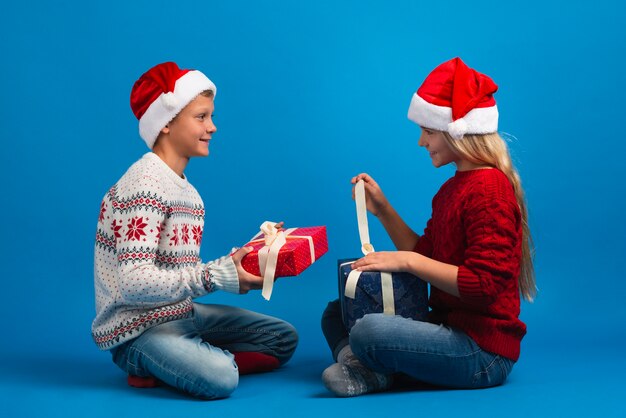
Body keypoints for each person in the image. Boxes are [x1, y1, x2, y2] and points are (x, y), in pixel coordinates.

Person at [321, 57, 536, 397]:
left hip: (481, 352)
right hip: (447, 325)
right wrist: (382, 210)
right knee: (339, 310)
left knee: (367, 331)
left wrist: (406, 263)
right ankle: (367, 368)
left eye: (428, 131)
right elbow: (426, 254)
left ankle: (369, 366)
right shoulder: (452, 189)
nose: (421, 142)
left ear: (459, 133)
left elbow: (482, 285)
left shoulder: (491, 190)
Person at [92, 61, 298, 399]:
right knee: (221, 379)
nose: (213, 127)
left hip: (181, 312)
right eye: (201, 117)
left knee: (283, 339)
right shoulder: (144, 184)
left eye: (211, 116)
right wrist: (218, 276)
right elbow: (133, 284)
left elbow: (182, 272)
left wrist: (245, 258)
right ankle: (147, 362)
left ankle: (184, 360)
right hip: (138, 329)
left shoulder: (189, 193)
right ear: (167, 124)